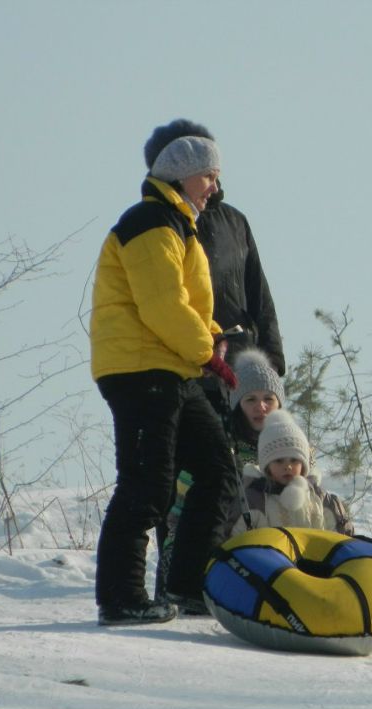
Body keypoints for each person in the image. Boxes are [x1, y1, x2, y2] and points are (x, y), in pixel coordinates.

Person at [90, 131, 239, 625]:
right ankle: (121, 597)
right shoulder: (151, 222)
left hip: (171, 366)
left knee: (217, 469)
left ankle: (186, 587)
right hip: (138, 368)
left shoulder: (180, 225)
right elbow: (162, 305)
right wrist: (208, 354)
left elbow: (189, 305)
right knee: (146, 483)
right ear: (180, 174)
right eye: (209, 176)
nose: (214, 188)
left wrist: (212, 336)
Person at [236, 409, 372, 624]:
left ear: (304, 465)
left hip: (322, 571)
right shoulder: (254, 501)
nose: (287, 467)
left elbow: (343, 542)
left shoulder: (322, 500)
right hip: (277, 575)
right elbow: (238, 541)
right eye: (279, 461)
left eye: (294, 461)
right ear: (266, 466)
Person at [143, 119, 285, 390]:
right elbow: (161, 301)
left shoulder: (235, 221)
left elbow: (260, 296)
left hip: (242, 361)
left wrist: (273, 360)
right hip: (187, 364)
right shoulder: (159, 224)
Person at [155, 348, 286, 599]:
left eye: (268, 399)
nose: (261, 407)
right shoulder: (219, 447)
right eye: (251, 400)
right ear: (237, 405)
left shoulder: (292, 452)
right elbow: (183, 506)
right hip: (221, 546)